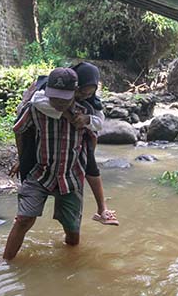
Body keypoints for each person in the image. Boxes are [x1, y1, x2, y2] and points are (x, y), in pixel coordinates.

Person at [4, 68, 88, 261]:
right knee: (23, 220)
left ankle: (70, 268)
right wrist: (22, 158)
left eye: (63, 99)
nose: (58, 103)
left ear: (75, 92)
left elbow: (91, 146)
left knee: (72, 232)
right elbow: (19, 129)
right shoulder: (36, 108)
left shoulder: (85, 114)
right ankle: (5, 265)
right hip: (40, 174)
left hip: (71, 178)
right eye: (54, 97)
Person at [28, 62, 118, 226]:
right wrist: (66, 114)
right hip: (47, 139)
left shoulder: (90, 102)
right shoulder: (51, 89)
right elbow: (36, 100)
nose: (84, 96)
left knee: (90, 164)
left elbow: (99, 122)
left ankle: (102, 208)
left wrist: (87, 119)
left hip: (80, 139)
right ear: (75, 86)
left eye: (89, 93)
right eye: (82, 92)